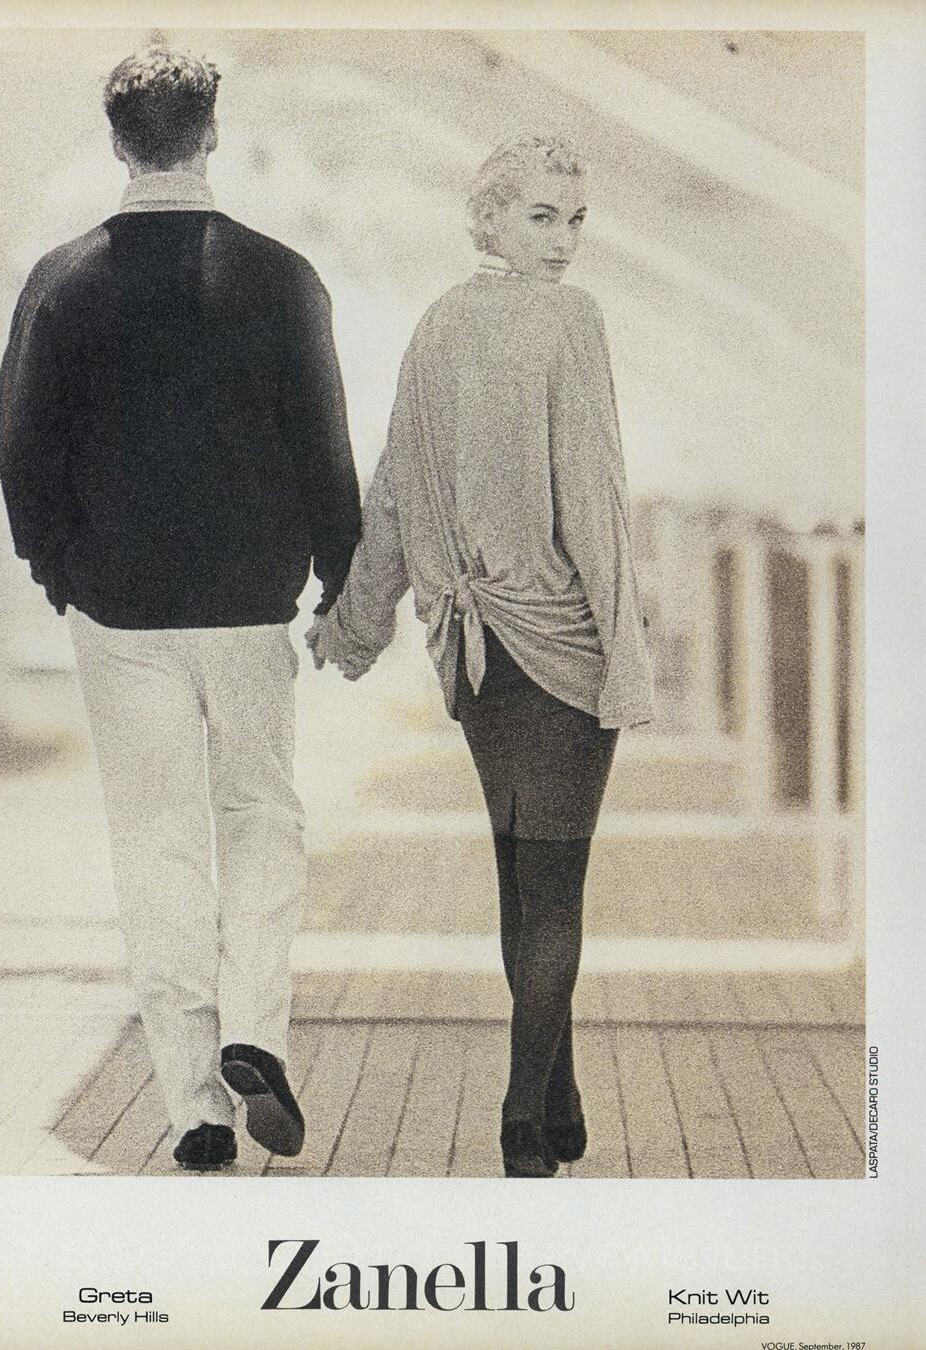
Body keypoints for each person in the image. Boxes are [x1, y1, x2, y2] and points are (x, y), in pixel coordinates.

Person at [0, 44, 361, 1171]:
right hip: (248, 603)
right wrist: (340, 574)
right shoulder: (281, 277)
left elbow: (23, 452)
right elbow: (323, 442)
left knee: (155, 842)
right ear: (210, 134)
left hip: (121, 613)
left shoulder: (60, 282)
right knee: (261, 818)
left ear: (117, 143)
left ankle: (196, 1108)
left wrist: (61, 572)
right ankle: (256, 1031)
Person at [310, 133, 654, 1178]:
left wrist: (355, 624)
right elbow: (594, 499)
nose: (564, 241)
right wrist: (626, 653)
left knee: (519, 881)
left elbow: (394, 489)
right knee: (555, 893)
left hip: (473, 658)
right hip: (560, 648)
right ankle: (519, 1111)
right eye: (541, 217)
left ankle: (556, 1094)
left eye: (576, 219)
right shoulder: (571, 320)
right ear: (490, 217)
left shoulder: (435, 324)